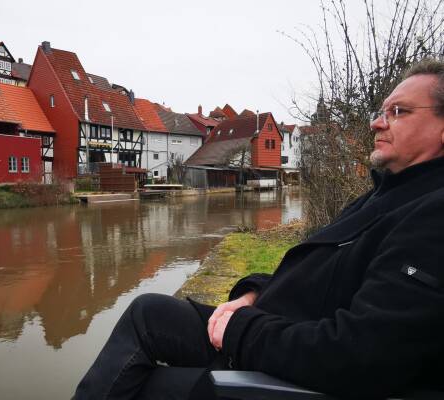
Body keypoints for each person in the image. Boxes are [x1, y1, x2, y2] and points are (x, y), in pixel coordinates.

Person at [74, 59, 444, 399]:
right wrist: (253, 293)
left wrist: (242, 330)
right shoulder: (385, 193)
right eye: (381, 111)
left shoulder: (433, 213)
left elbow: (363, 354)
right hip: (270, 329)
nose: (377, 122)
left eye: (399, 112)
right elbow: (322, 278)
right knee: (147, 313)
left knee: (139, 388)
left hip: (287, 371)